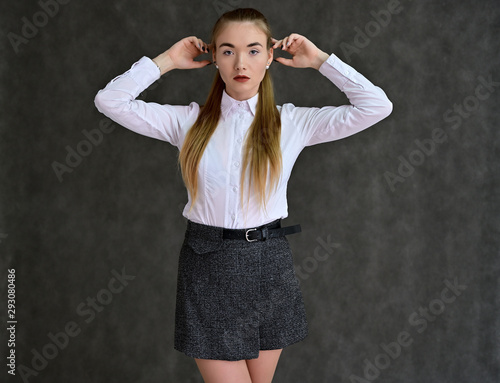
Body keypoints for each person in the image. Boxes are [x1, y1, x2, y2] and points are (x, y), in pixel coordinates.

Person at [94, 7, 392, 383]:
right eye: (228, 50)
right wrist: (167, 60)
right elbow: (110, 101)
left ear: (270, 57)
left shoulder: (292, 123)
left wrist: (319, 60)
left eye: (253, 50)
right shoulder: (187, 122)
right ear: (214, 56)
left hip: (270, 264)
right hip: (208, 265)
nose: (240, 62)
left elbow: (377, 106)